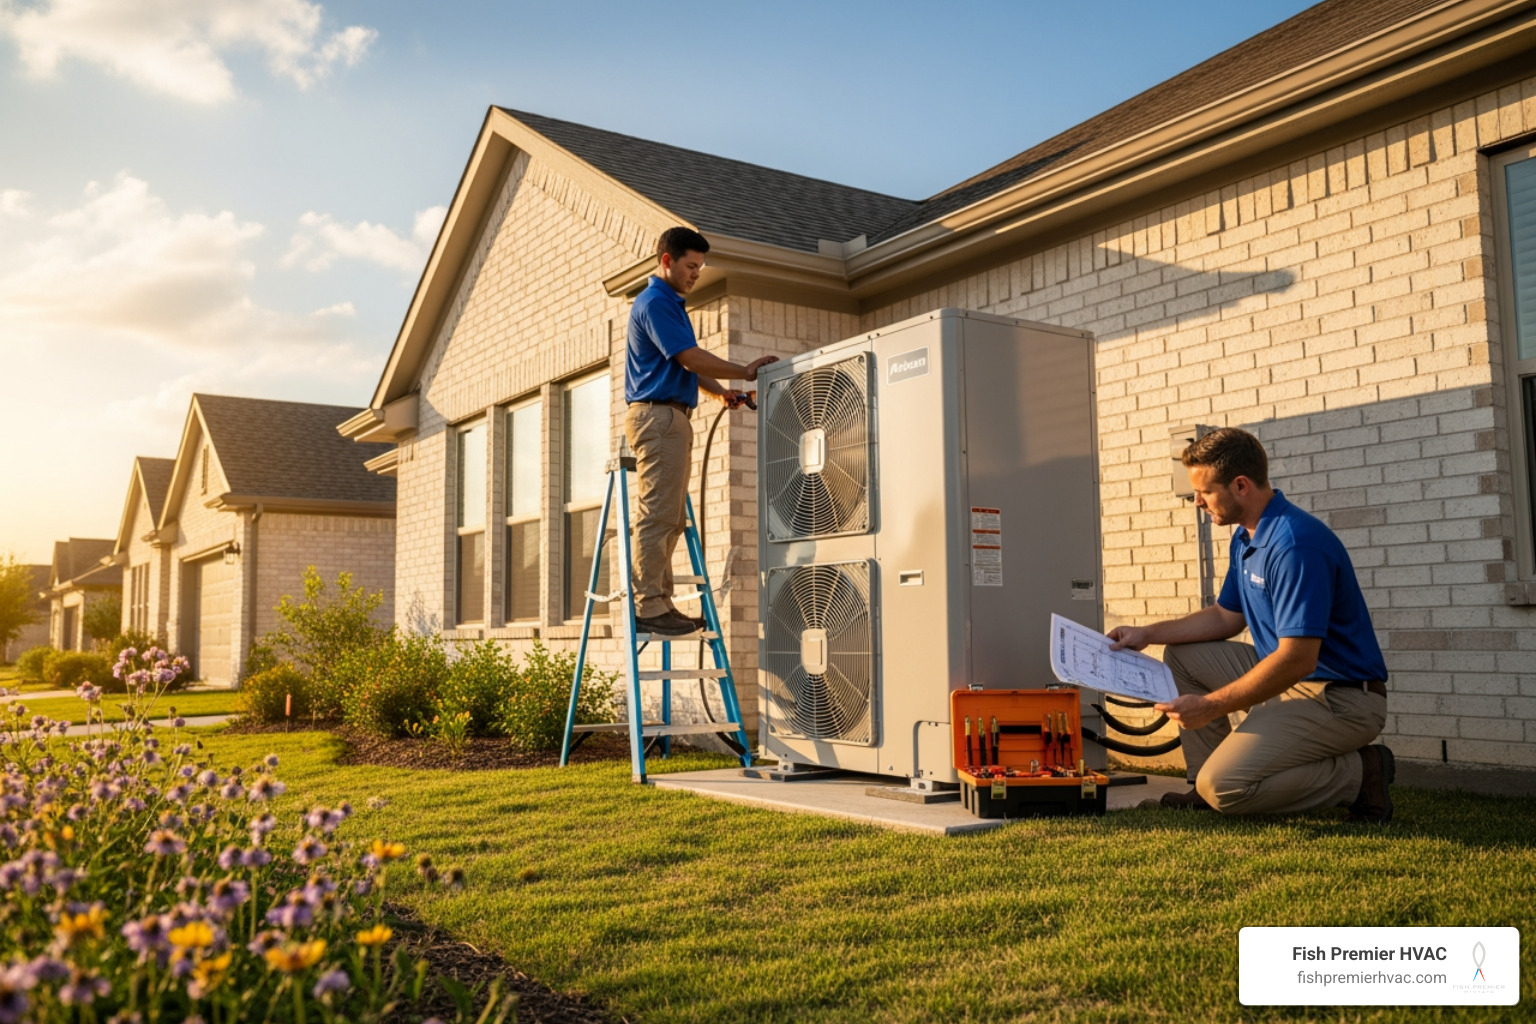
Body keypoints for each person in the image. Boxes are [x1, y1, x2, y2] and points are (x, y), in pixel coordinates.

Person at [1108, 427, 1395, 822]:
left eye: (1205, 492)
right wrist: (1146, 634)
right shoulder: (1246, 538)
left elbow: (1298, 659)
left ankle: (1360, 775)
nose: (1196, 501)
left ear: (1240, 485)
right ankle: (1201, 787)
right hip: (1291, 682)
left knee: (1226, 787)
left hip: (1339, 697)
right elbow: (1227, 617)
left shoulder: (1295, 545)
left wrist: (1209, 707)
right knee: (1183, 656)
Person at [624, 227, 777, 636]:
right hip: (658, 419)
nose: (696, 274)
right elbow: (690, 358)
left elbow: (682, 365)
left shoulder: (670, 304)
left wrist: (722, 392)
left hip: (670, 418)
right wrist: (744, 372)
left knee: (671, 518)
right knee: (658, 515)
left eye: (700, 267)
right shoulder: (655, 302)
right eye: (691, 266)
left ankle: (660, 601)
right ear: (667, 261)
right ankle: (647, 605)